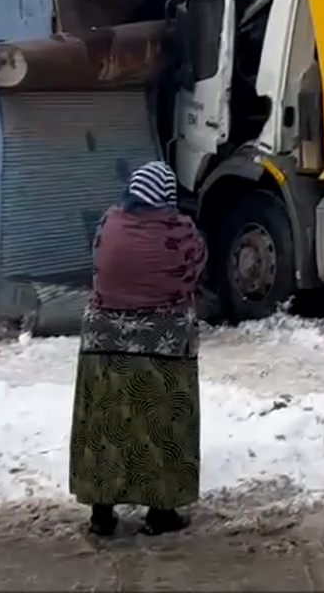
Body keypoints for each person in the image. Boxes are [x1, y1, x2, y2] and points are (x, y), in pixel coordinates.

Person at [69, 160, 207, 537]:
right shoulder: (178, 231)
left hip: (104, 341)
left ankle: (101, 514)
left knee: (105, 425)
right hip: (162, 344)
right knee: (161, 424)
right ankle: (160, 513)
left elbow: (97, 264)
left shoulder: (109, 223)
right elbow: (194, 270)